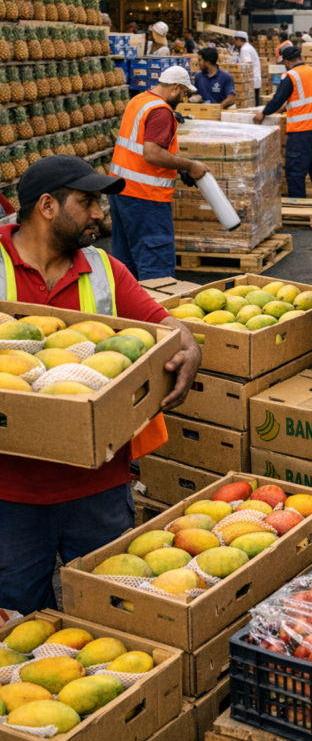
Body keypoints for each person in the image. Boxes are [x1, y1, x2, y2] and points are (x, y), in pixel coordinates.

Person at [0, 156, 203, 613]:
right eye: (88, 201)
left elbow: (167, 327)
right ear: (47, 206)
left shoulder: (105, 269)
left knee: (113, 613)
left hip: (98, 486)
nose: (100, 213)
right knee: (15, 622)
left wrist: (190, 347)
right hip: (9, 492)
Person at [109, 66, 208, 280]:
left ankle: (131, 311)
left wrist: (179, 166)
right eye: (185, 93)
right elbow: (152, 154)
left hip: (120, 191)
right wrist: (189, 165)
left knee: (126, 263)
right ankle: (157, 309)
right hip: (146, 198)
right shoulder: (161, 111)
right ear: (175, 88)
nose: (184, 98)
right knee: (156, 265)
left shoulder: (139, 100)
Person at [253, 45, 312, 199]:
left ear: (286, 61)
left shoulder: (291, 76)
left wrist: (263, 113)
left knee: (295, 171)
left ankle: (298, 204)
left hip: (303, 130)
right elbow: (309, 97)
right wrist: (288, 107)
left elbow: (278, 99)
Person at [233, 30, 262, 106]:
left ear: (238, 39)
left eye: (235, 41)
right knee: (255, 104)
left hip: (251, 81)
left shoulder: (244, 49)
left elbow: (247, 66)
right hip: (255, 80)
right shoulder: (249, 47)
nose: (235, 44)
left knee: (252, 106)